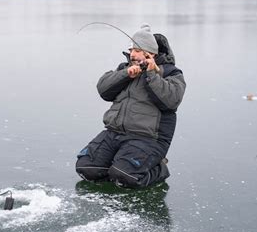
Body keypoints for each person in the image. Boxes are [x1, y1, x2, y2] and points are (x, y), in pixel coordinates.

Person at [75, 24, 186, 188]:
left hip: (148, 139)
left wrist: (152, 74)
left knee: (124, 177)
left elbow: (172, 100)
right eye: (132, 49)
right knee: (86, 168)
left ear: (151, 54)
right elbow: (103, 90)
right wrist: (125, 74)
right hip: (114, 133)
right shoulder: (124, 68)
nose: (133, 54)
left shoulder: (171, 73)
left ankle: (159, 168)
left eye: (138, 50)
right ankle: (120, 161)